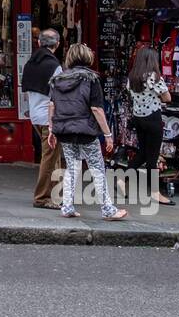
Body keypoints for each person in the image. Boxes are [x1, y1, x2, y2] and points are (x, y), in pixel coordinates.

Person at [48, 43, 126, 220]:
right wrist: (107, 134)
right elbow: (97, 109)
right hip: (86, 130)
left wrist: (51, 129)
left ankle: (67, 206)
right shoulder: (91, 79)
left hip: (64, 130)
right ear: (87, 57)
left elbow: (51, 105)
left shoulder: (57, 79)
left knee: (72, 167)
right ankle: (108, 209)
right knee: (97, 168)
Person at [22, 29, 64, 208]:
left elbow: (25, 92)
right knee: (49, 157)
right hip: (49, 117)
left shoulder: (30, 63)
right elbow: (59, 94)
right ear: (57, 44)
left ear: (39, 43)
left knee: (54, 156)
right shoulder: (54, 66)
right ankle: (42, 197)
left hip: (35, 115)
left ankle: (57, 195)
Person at [128, 47, 173, 206]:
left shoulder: (132, 77)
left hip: (138, 118)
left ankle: (122, 179)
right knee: (152, 158)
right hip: (153, 119)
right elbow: (167, 97)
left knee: (143, 153)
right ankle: (155, 193)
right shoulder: (153, 77)